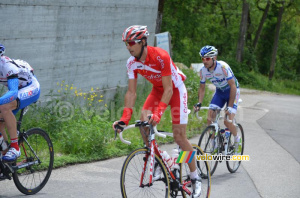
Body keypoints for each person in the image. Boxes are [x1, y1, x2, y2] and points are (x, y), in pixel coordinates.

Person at [112, 25, 202, 197]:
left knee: (179, 137)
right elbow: (131, 92)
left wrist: (159, 113)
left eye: (132, 42)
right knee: (142, 122)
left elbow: (169, 89)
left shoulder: (160, 56)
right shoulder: (131, 63)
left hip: (175, 90)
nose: (128, 47)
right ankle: (161, 161)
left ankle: (195, 177)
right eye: (126, 43)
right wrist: (124, 119)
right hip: (157, 91)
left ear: (143, 41)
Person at [194, 45, 240, 152]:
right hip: (220, 93)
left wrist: (229, 106)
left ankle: (237, 138)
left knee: (227, 121)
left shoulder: (223, 67)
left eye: (207, 58)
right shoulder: (203, 71)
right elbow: (202, 88)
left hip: (232, 91)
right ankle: (214, 144)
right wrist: (199, 103)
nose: (204, 61)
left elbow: (233, 86)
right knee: (209, 119)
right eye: (203, 58)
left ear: (214, 58)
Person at [0, 43, 40, 161]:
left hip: (30, 87)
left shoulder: (7, 66)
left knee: (4, 107)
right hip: (18, 90)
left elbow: (13, 92)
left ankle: (15, 147)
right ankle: (6, 160)